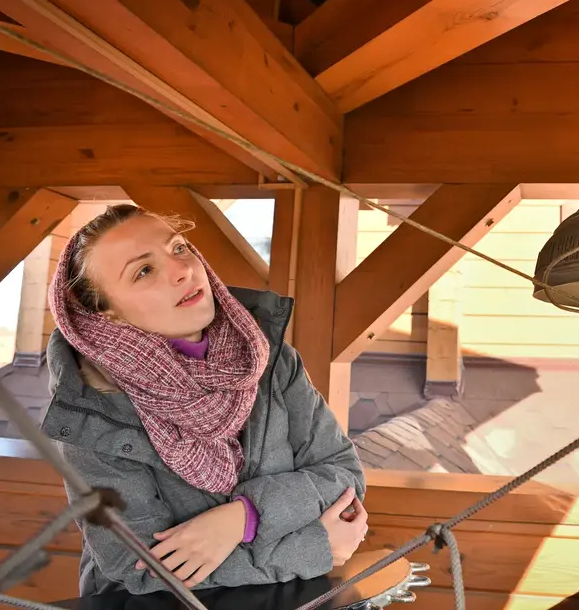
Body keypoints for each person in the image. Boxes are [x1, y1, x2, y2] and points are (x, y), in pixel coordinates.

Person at [39, 204, 368, 597]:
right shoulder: (91, 412)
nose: (183, 270)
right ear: (107, 314)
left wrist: (245, 517)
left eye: (178, 248)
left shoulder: (268, 359)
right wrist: (310, 547)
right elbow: (143, 569)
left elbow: (343, 475)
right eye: (144, 271)